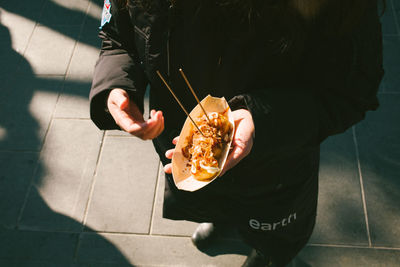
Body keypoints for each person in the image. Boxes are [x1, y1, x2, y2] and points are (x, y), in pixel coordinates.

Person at [89, 0, 384, 266]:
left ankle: (267, 255)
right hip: (187, 152)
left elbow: (351, 91)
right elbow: (117, 34)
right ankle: (221, 219)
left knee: (274, 241)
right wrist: (116, 83)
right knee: (212, 205)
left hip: (275, 169)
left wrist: (262, 118)